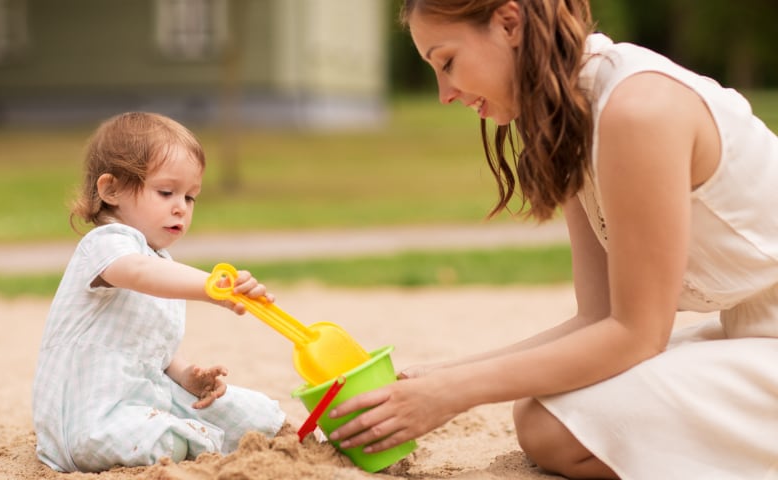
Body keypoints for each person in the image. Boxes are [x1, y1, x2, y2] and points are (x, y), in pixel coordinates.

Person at [327, 1, 778, 478]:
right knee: (549, 411)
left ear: (508, 23)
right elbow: (598, 317)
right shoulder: (572, 118)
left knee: (552, 428)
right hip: (752, 329)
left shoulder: (636, 110)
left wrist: (453, 393)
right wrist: (435, 378)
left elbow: (637, 335)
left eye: (447, 62)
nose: (444, 93)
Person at [32, 112, 286, 473]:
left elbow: (149, 347)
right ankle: (202, 441)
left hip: (142, 398)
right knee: (164, 438)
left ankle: (219, 432)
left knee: (254, 414)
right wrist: (212, 288)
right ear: (111, 190)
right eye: (166, 192)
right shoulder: (105, 244)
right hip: (88, 420)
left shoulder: (160, 259)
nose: (181, 206)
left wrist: (185, 376)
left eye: (191, 196)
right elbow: (138, 271)